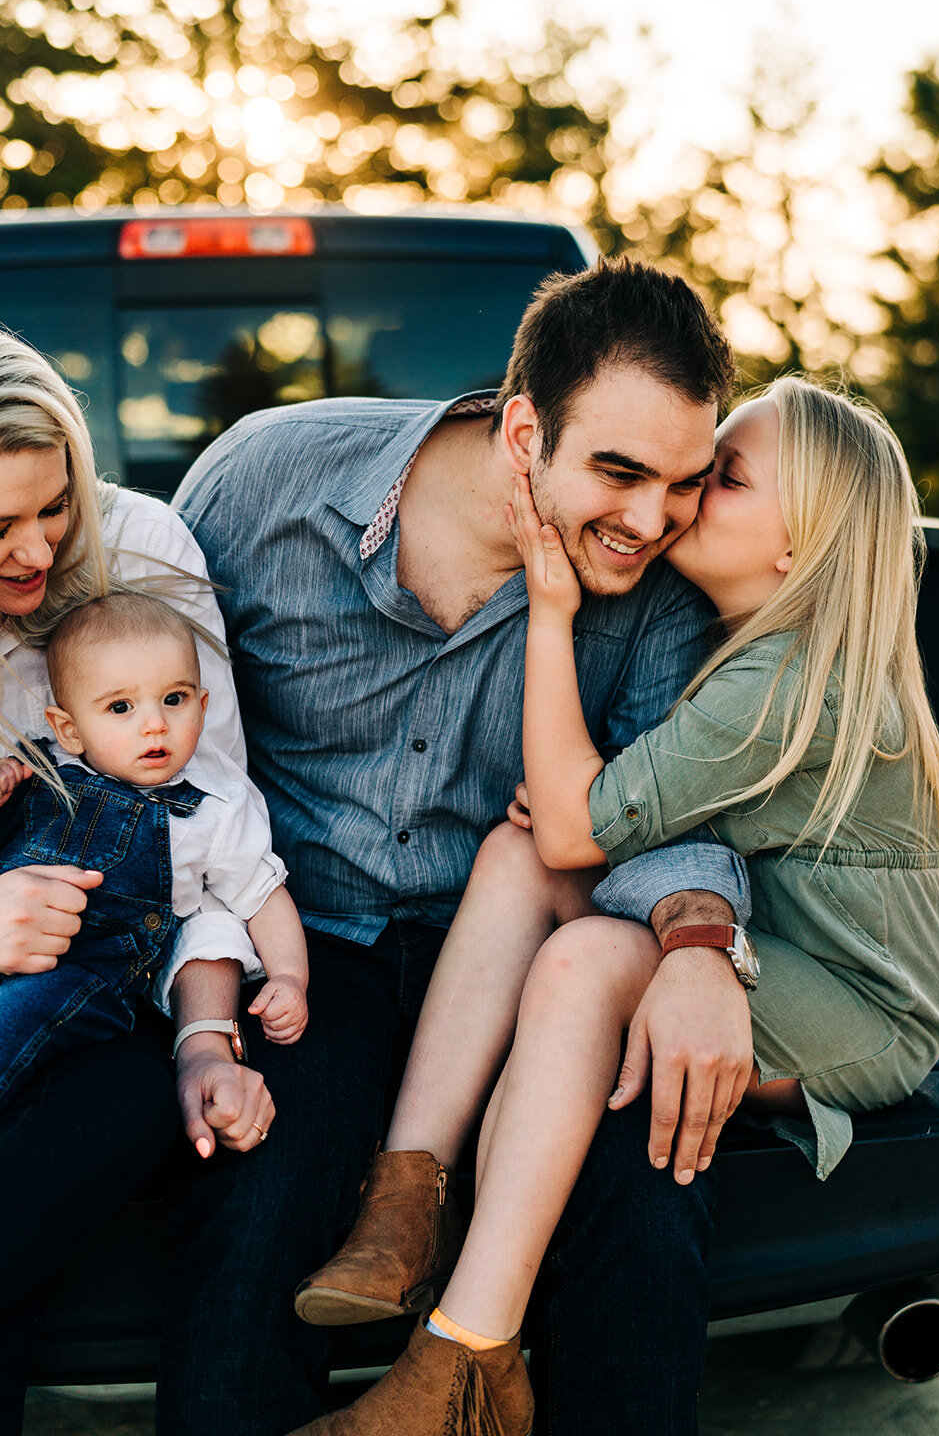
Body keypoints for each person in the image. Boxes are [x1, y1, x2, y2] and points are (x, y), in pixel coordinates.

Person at [288, 377, 939, 1436]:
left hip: (864, 1011)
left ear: (800, 548)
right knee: (517, 857)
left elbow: (577, 823)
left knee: (587, 956)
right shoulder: (733, 642)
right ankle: (405, 1201)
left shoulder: (788, 684)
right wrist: (579, 811)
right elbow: (560, 830)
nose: (678, 502)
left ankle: (464, 1354)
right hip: (780, 944)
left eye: (720, 479)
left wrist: (554, 614)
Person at [162, 255, 755, 1436]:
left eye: (683, 482)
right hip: (306, 949)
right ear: (523, 427)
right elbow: (154, 726)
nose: (649, 522)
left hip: (531, 960)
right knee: (258, 1192)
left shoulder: (654, 594)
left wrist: (697, 942)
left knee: (649, 1200)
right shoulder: (258, 485)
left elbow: (662, 814)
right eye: (618, 472)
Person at [0, 333, 276, 1436]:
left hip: (115, 997)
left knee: (88, 1125)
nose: (32, 551)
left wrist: (206, 1031)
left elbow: (203, 836)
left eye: (52, 507)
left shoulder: (145, 548)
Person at [0, 589, 308, 1111]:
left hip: (86, 972)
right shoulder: (41, 765)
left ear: (202, 706)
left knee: (15, 1025)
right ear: (68, 729)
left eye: (175, 699)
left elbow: (263, 895)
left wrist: (289, 976)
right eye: (121, 707)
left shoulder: (214, 808)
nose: (155, 724)